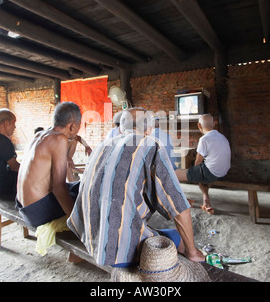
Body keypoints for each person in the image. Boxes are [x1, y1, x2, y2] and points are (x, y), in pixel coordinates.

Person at [67, 107, 205, 268]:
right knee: (177, 239)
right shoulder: (151, 145)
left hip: (88, 237)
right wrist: (193, 252)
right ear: (150, 129)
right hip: (119, 253)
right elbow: (178, 206)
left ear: (120, 128)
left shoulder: (101, 145)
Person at [16, 102, 82, 229]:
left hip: (23, 206)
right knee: (88, 198)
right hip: (36, 212)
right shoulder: (59, 140)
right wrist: (77, 223)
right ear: (72, 126)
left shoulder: (40, 135)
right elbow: (59, 188)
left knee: (80, 186)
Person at [175, 114, 231, 214]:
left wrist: (191, 173)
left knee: (174, 174)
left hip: (212, 173)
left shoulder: (204, 139)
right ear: (214, 124)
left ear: (199, 126)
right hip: (223, 172)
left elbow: (197, 161)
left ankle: (179, 200)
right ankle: (206, 198)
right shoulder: (222, 137)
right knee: (200, 171)